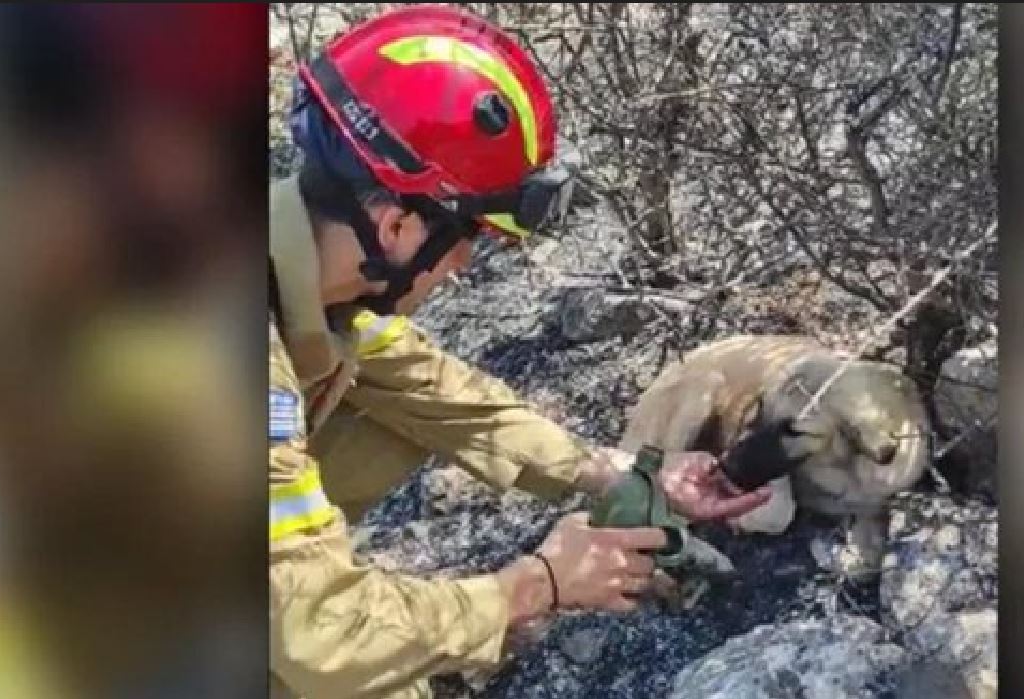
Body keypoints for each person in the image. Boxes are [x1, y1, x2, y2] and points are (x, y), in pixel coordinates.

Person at [268, 6, 770, 698]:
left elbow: (453, 402)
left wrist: (615, 474)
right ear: (397, 225)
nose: (465, 263)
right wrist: (536, 584)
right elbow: (319, 634)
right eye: (468, 233)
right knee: (346, 664)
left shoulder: (308, 285)